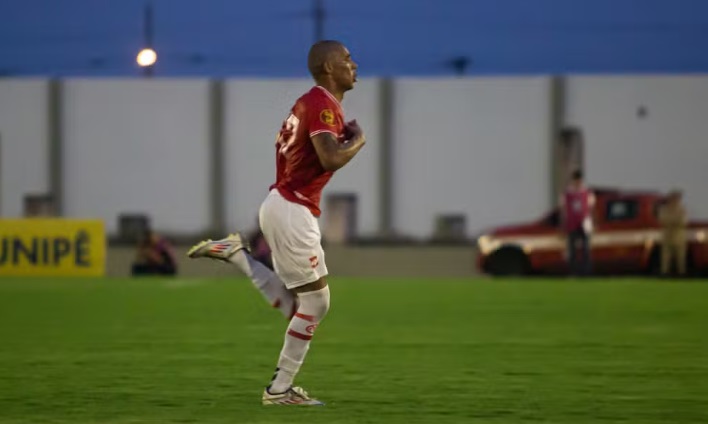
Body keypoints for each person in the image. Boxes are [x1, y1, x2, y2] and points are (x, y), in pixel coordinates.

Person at [187, 40, 364, 406]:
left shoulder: (313, 103)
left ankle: (238, 256)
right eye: (347, 59)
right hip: (291, 208)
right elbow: (329, 159)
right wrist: (358, 142)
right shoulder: (322, 105)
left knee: (303, 303)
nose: (354, 64)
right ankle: (278, 391)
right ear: (329, 67)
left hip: (284, 205)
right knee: (315, 303)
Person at [559, 170, 595, 276]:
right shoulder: (567, 194)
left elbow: (591, 209)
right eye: (576, 180)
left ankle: (586, 272)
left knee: (586, 250)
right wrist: (562, 226)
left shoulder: (587, 192)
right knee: (572, 251)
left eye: (579, 180)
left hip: (584, 224)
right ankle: (574, 272)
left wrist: (592, 224)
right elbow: (563, 210)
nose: (578, 182)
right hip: (571, 224)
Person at [658, 190, 688, 277]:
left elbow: (683, 222)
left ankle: (681, 273)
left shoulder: (682, 209)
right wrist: (674, 221)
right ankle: (665, 273)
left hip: (679, 237)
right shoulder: (664, 209)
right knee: (665, 257)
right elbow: (662, 220)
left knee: (680, 258)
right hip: (667, 237)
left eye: (677, 198)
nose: (675, 200)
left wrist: (671, 221)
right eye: (673, 198)